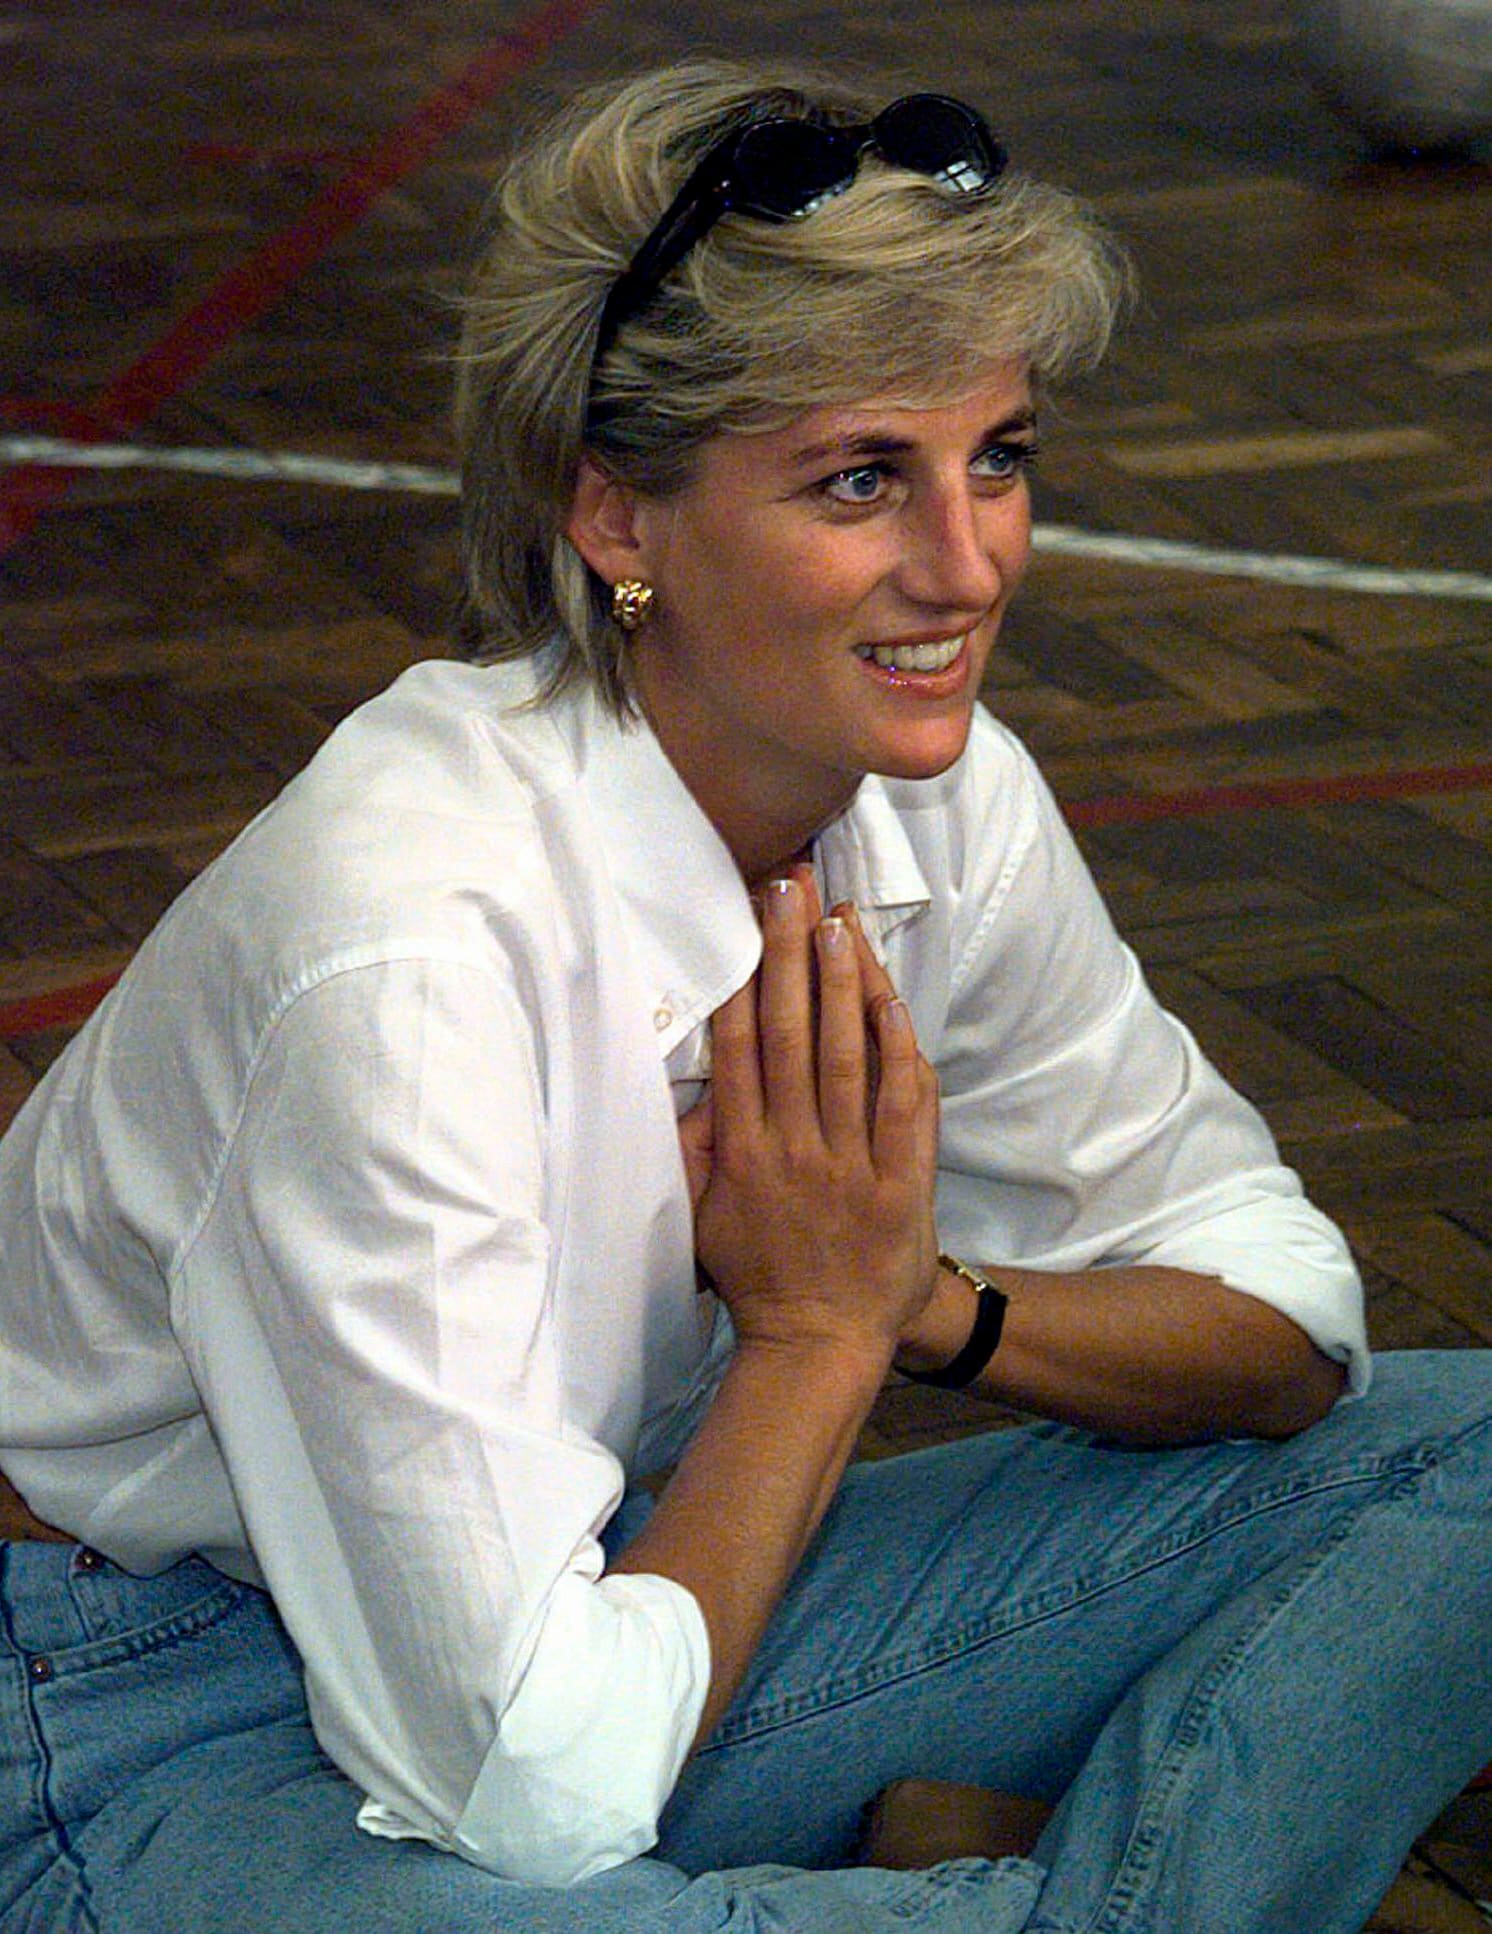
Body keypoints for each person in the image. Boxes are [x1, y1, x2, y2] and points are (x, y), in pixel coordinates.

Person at [0, 58, 1488, 1934]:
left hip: (614, 1608)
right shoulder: (401, 950)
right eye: (864, 477)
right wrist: (808, 1343)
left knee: (1464, 1460)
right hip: (114, 1717)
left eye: (1000, 457)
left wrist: (922, 1306)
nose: (969, 566)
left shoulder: (938, 799)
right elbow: (529, 1795)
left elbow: (1292, 1318)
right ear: (616, 518)